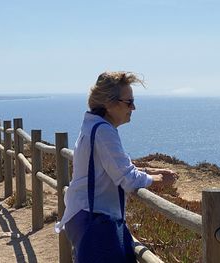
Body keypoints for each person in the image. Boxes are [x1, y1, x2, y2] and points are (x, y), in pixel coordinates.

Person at [55, 71, 178, 262]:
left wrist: (151, 171)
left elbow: (115, 166)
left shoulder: (93, 125)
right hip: (96, 219)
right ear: (108, 103)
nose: (133, 107)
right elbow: (127, 179)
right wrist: (161, 180)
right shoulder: (104, 131)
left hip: (84, 215)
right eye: (128, 102)